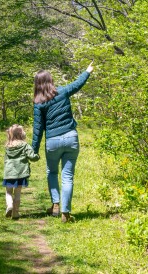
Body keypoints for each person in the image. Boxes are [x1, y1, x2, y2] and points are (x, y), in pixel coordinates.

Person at [31, 62, 94, 223]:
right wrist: (87, 71)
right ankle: (66, 212)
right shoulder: (62, 91)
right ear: (51, 80)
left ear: (37, 84)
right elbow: (77, 84)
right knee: (68, 176)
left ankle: (55, 204)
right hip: (71, 138)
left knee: (52, 172)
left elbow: (38, 129)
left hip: (52, 141)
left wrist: (34, 150)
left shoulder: (38, 103)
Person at [3, 124, 40, 220]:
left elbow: (6, 160)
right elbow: (32, 156)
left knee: (8, 192)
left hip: (9, 173)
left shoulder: (8, 146)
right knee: (18, 193)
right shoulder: (25, 145)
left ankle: (9, 205)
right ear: (21, 134)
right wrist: (37, 156)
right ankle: (15, 213)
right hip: (20, 173)